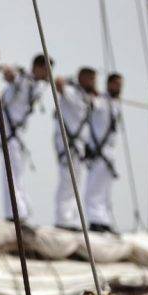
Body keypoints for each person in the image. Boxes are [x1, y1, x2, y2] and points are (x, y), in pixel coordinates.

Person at [0, 54, 52, 224]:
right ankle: (14, 213)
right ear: (38, 67)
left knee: (17, 172)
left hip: (16, 133)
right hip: (7, 131)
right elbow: (11, 77)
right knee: (12, 173)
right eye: (46, 69)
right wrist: (10, 72)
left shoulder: (36, 84)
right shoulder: (21, 79)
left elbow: (44, 85)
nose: (48, 73)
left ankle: (21, 210)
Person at [53, 67, 99, 231]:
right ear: (83, 78)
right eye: (91, 79)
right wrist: (70, 81)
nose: (94, 83)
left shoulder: (86, 97)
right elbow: (57, 82)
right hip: (68, 143)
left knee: (76, 183)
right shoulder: (71, 91)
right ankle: (63, 219)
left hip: (79, 145)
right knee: (67, 181)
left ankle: (71, 219)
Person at [85, 73, 123, 234]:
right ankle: (96, 220)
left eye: (121, 85)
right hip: (99, 153)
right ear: (109, 84)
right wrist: (92, 92)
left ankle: (104, 220)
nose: (119, 88)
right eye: (116, 84)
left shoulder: (115, 103)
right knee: (94, 189)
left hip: (109, 153)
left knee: (105, 190)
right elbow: (91, 103)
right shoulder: (101, 101)